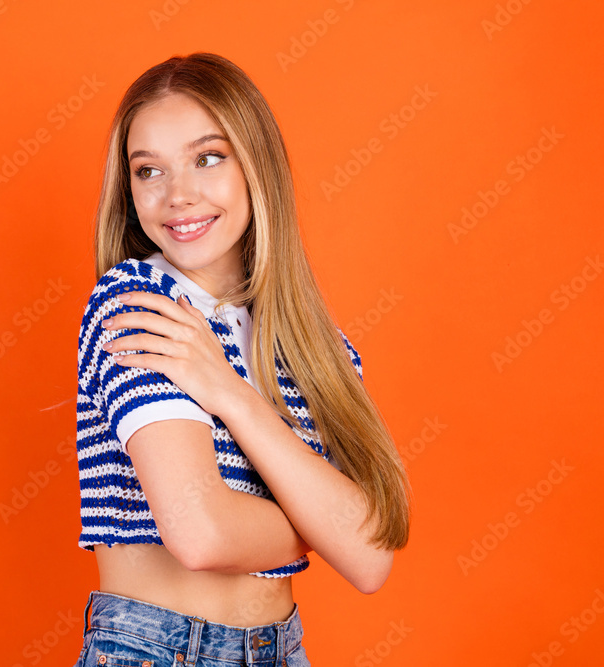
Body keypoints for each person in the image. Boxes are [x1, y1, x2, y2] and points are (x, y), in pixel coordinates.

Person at [73, 52, 410, 667]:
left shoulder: (316, 349)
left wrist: (231, 395)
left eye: (207, 158)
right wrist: (327, 525)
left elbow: (371, 563)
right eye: (149, 171)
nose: (178, 195)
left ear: (257, 166)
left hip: (281, 650)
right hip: (159, 651)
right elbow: (199, 532)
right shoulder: (140, 305)